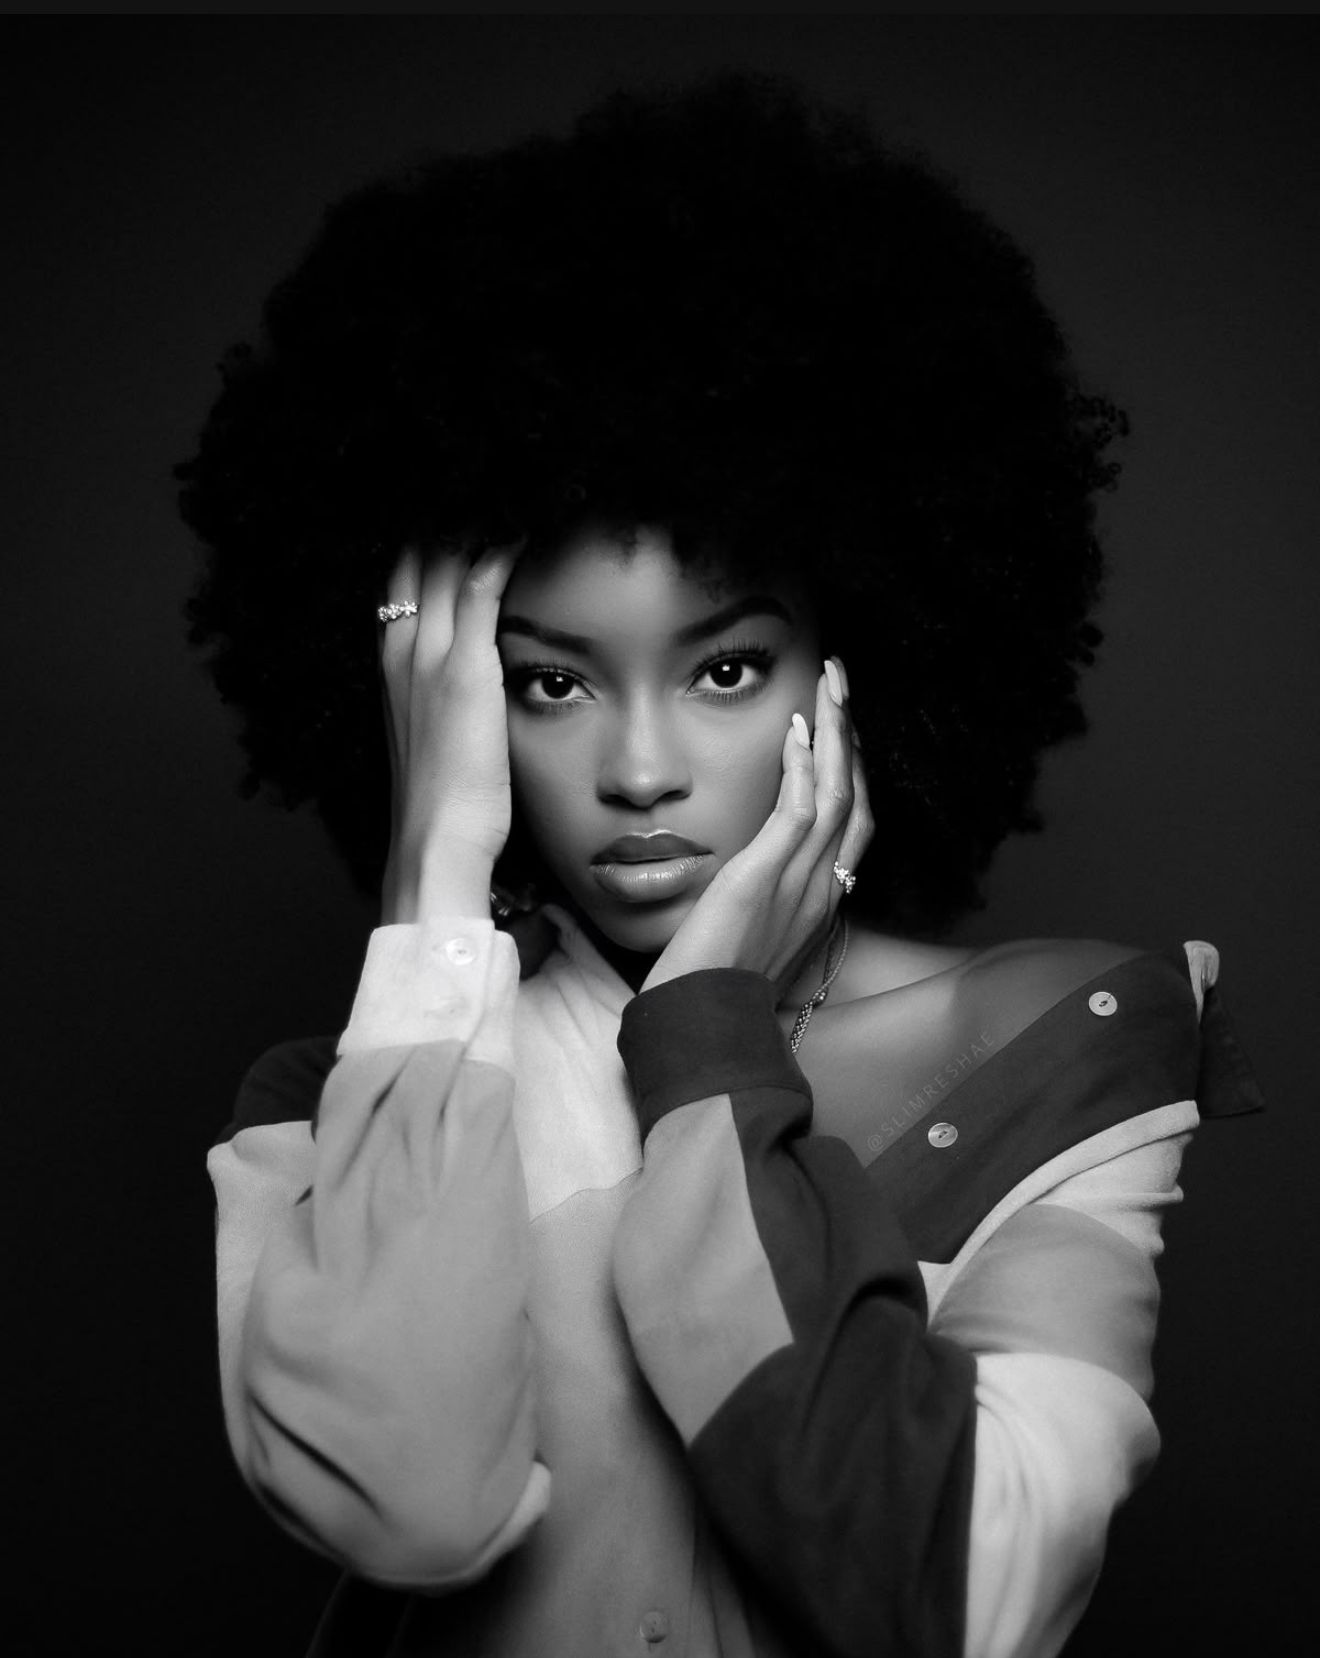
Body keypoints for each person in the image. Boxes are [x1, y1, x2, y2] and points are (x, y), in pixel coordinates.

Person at [179, 75, 1262, 1658]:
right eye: (549, 680)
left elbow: (955, 1599)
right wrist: (432, 883)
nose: (637, 768)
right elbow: (407, 1510)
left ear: (856, 662)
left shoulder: (1059, 1057)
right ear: (451, 705)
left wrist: (707, 1046)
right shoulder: (349, 1102)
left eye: (726, 669)